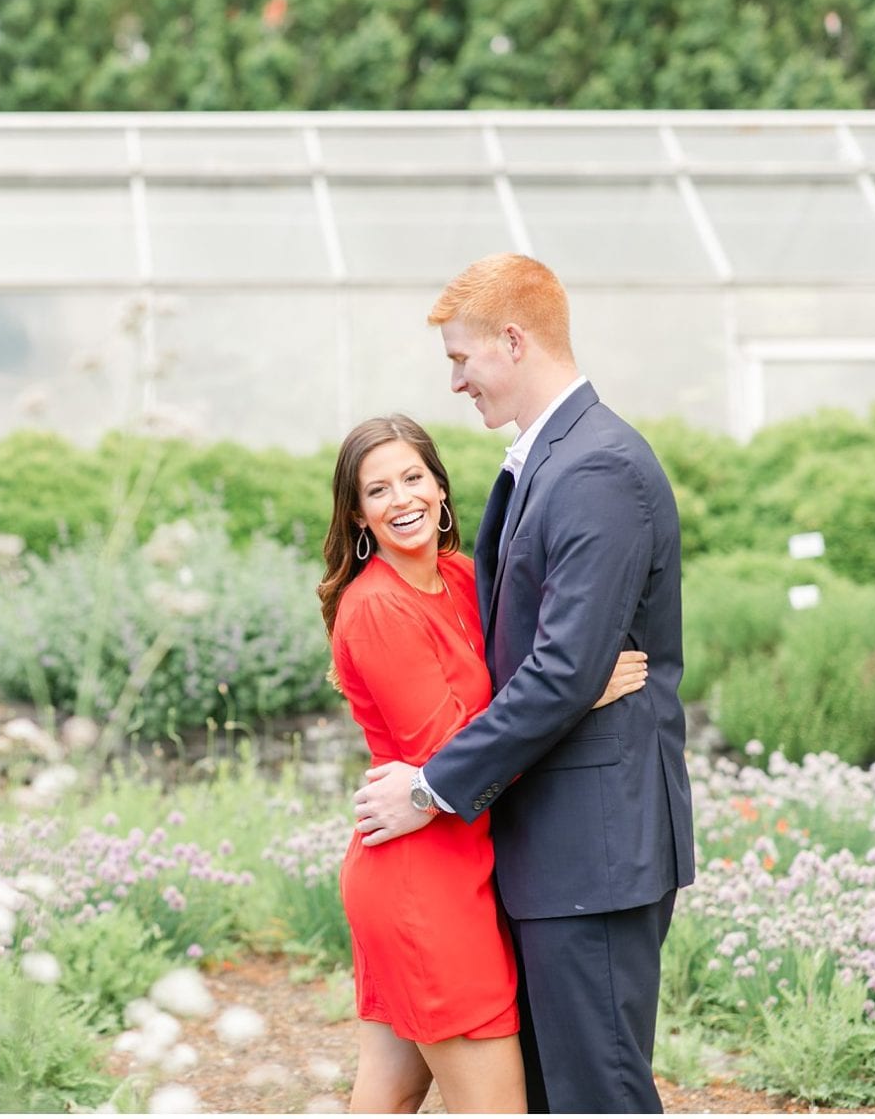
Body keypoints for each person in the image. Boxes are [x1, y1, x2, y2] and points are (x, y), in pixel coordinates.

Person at [350, 254, 697, 1114]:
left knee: (599, 1094)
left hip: (594, 849)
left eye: (462, 360)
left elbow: (559, 668)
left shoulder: (597, 468)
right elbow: (556, 668)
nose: (458, 381)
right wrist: (576, 684)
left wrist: (432, 787)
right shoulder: (548, 459)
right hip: (547, 847)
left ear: (513, 341)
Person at [319, 414, 649, 1115]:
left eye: (414, 478)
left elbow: (515, 688)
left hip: (459, 862)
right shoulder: (377, 608)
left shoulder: (463, 578)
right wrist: (580, 693)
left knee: (389, 1092)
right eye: (379, 490)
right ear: (358, 514)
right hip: (422, 879)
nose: (402, 499)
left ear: (440, 489)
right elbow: (455, 753)